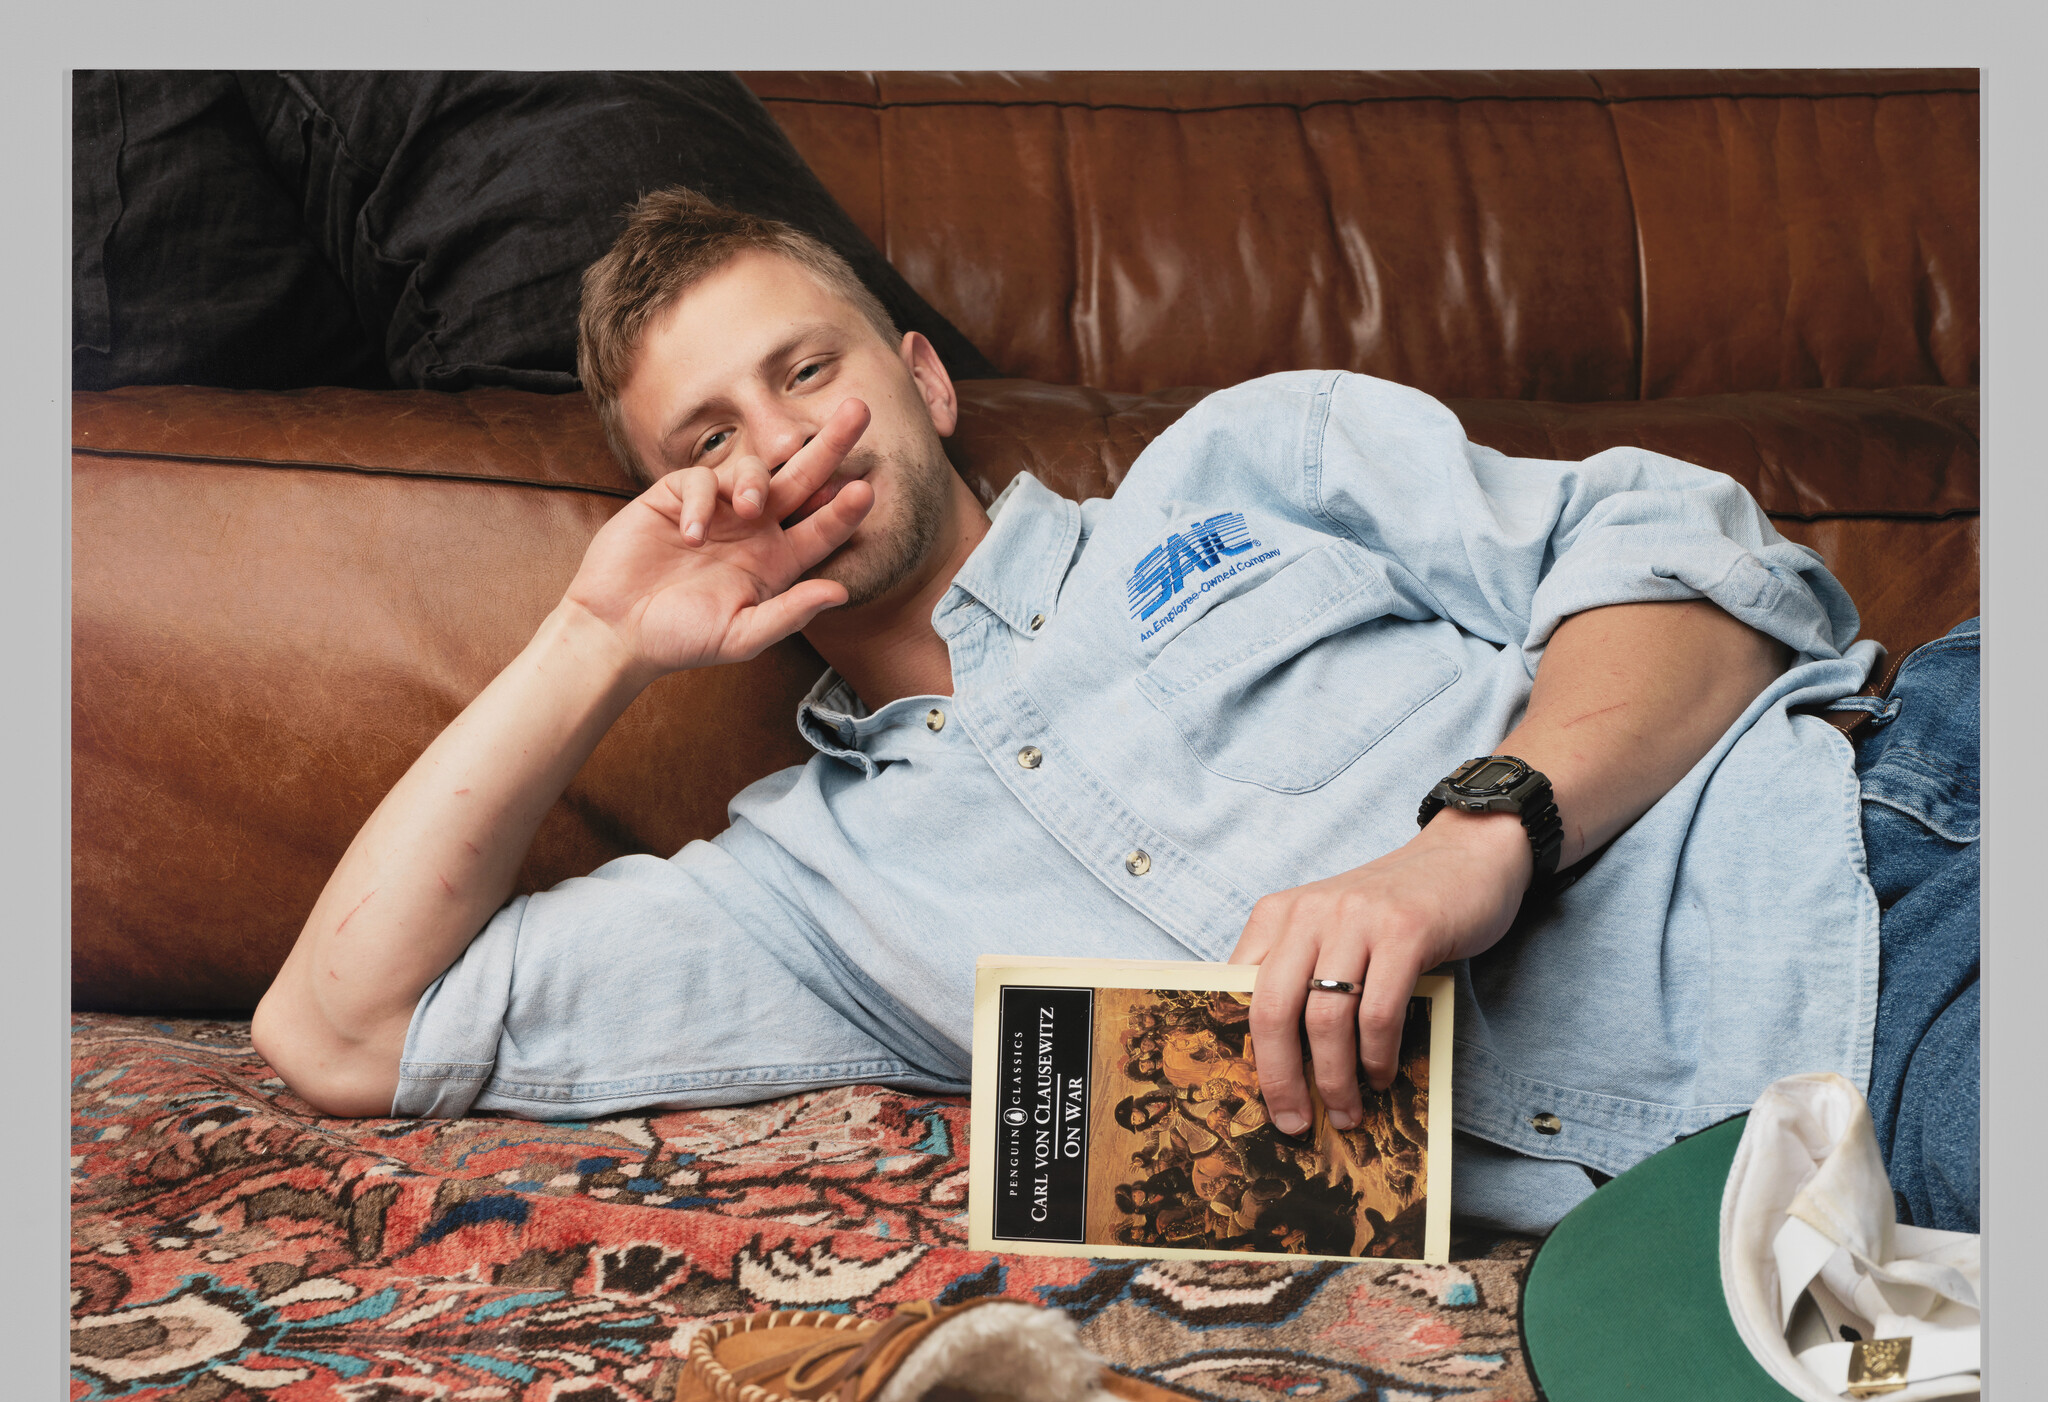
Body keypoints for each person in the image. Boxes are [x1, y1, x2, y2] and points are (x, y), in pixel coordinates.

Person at [251, 187, 1978, 1234]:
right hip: (1804, 1162)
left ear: (920, 379)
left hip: (1898, 830)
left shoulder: (1247, 458)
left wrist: (1476, 838)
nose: (776, 444)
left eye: (806, 369)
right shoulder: (811, 889)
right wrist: (591, 637)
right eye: (704, 439)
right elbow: (337, 1031)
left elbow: (1698, 560)